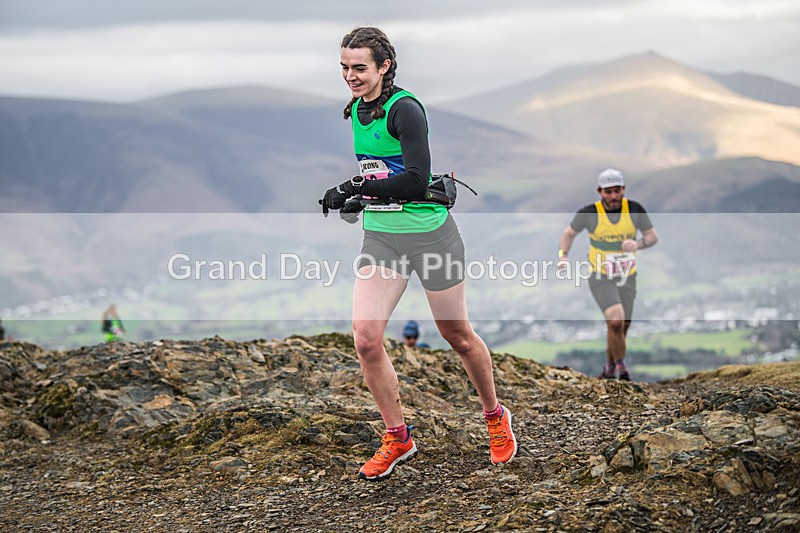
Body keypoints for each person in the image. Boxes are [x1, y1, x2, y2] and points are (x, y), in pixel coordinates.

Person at [320, 27, 517, 481]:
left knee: (457, 336)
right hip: (382, 239)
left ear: (384, 66)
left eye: (359, 68)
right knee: (365, 338)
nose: (350, 76)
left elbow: (413, 179)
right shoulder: (357, 110)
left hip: (431, 237)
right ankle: (398, 437)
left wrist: (354, 187)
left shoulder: (404, 109)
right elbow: (380, 175)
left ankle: (494, 416)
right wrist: (359, 198)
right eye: (344, 68)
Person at [557, 168, 658, 381]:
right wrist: (563, 256)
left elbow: (652, 236)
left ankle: (609, 367)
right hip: (600, 275)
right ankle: (623, 370)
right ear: (600, 191)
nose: (613, 196)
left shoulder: (634, 209)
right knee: (615, 322)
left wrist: (638, 244)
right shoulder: (589, 213)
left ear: (623, 189)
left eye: (617, 191)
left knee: (622, 327)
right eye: (608, 192)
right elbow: (569, 233)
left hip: (627, 275)